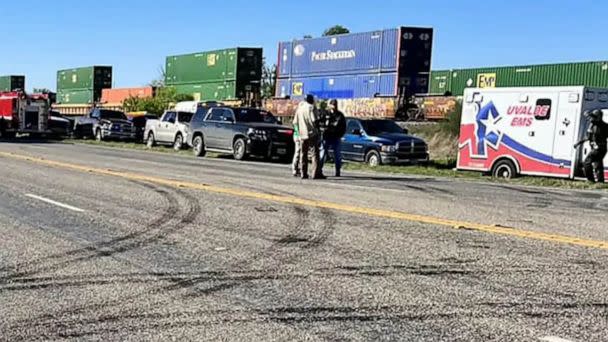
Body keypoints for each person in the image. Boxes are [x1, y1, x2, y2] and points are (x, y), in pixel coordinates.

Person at [575, 109, 608, 183]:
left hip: (599, 148)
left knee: (586, 162)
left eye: (594, 117)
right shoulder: (592, 125)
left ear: (599, 117)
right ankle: (600, 181)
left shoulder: (604, 126)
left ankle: (590, 180)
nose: (591, 119)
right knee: (597, 164)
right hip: (595, 148)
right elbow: (588, 137)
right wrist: (578, 143)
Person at [293, 95, 322, 179]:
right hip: (311, 133)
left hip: (302, 134)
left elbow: (295, 122)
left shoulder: (300, 108)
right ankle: (315, 173)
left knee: (303, 154)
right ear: (311, 100)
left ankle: (303, 173)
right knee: (314, 153)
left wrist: (298, 132)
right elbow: (314, 120)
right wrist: (318, 129)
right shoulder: (311, 108)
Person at [320, 99, 347, 177]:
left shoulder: (340, 115)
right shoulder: (325, 114)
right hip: (326, 136)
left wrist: (340, 135)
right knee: (322, 154)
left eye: (335, 104)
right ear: (330, 105)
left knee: (337, 155)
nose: (334, 106)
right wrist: (323, 129)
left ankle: (337, 171)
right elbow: (320, 123)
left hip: (336, 137)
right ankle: (319, 169)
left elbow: (343, 127)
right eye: (332, 104)